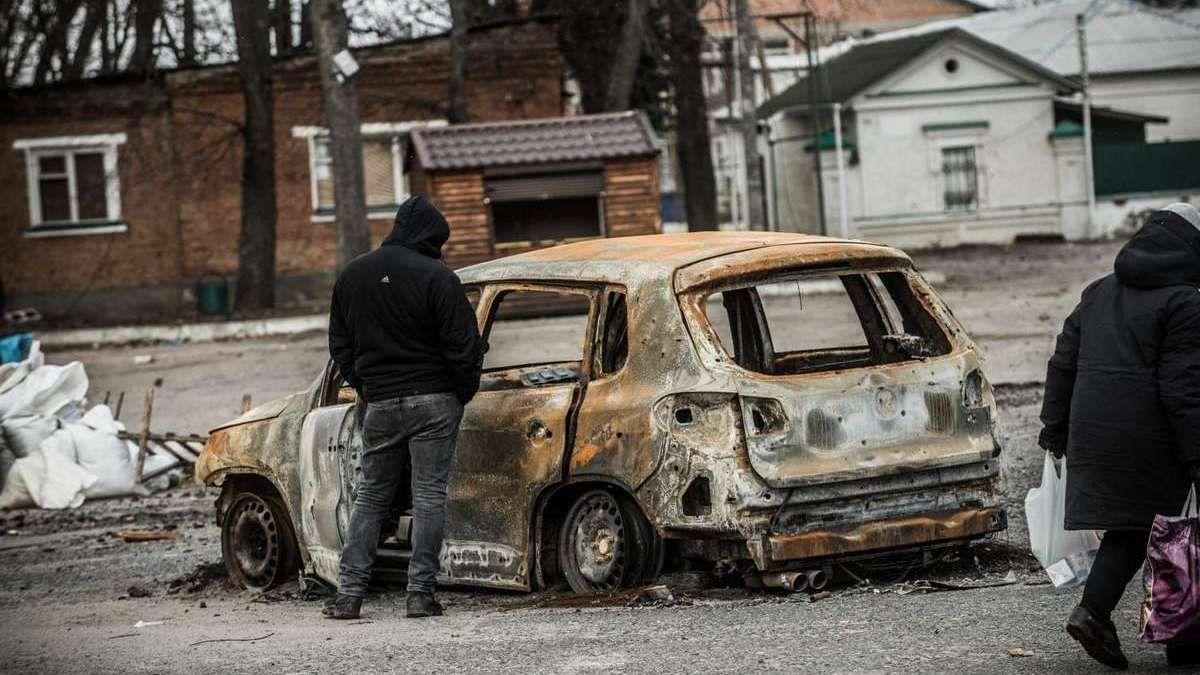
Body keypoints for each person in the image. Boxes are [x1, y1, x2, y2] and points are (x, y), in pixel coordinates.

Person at [1040, 202, 1200, 669]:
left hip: (1093, 433)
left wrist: (1055, 428)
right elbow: (1184, 387)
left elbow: (1062, 364)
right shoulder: (1186, 302)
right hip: (1150, 438)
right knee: (1165, 530)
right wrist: (1196, 452)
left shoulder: (1097, 292)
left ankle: (1108, 616)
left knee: (1136, 528)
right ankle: (1172, 633)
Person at [322, 195, 482, 621]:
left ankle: (349, 596)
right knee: (429, 497)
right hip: (434, 400)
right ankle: (420, 595)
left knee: (371, 497)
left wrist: (368, 387)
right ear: (430, 237)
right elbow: (464, 346)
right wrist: (459, 393)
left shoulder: (353, 274)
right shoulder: (438, 277)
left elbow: (339, 344)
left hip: (380, 403)